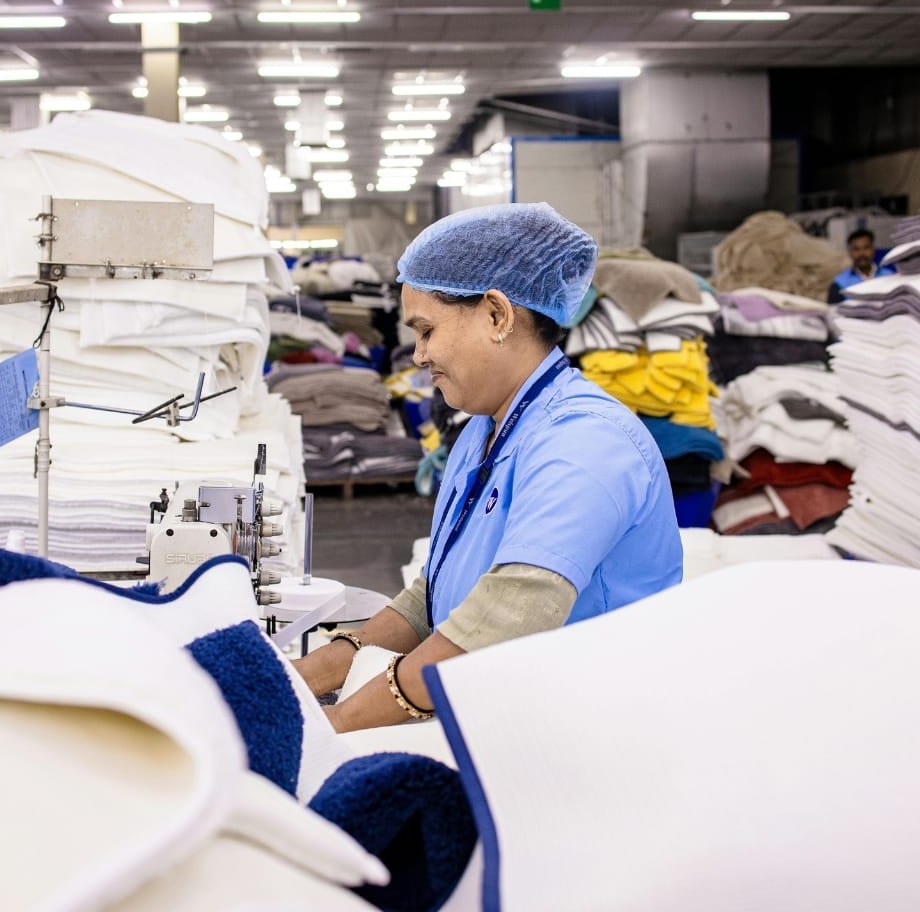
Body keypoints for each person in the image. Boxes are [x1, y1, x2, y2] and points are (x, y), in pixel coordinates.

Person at [293, 202, 683, 732]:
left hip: (591, 730)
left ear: (497, 315)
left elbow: (506, 616)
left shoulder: (586, 441)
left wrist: (333, 726)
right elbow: (431, 598)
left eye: (426, 331)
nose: (418, 355)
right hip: (508, 716)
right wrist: (299, 678)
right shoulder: (483, 429)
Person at [827, 226, 895, 303]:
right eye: (856, 249)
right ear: (850, 252)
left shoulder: (890, 276)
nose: (862, 253)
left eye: (866, 248)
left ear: (873, 249)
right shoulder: (839, 283)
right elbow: (833, 312)